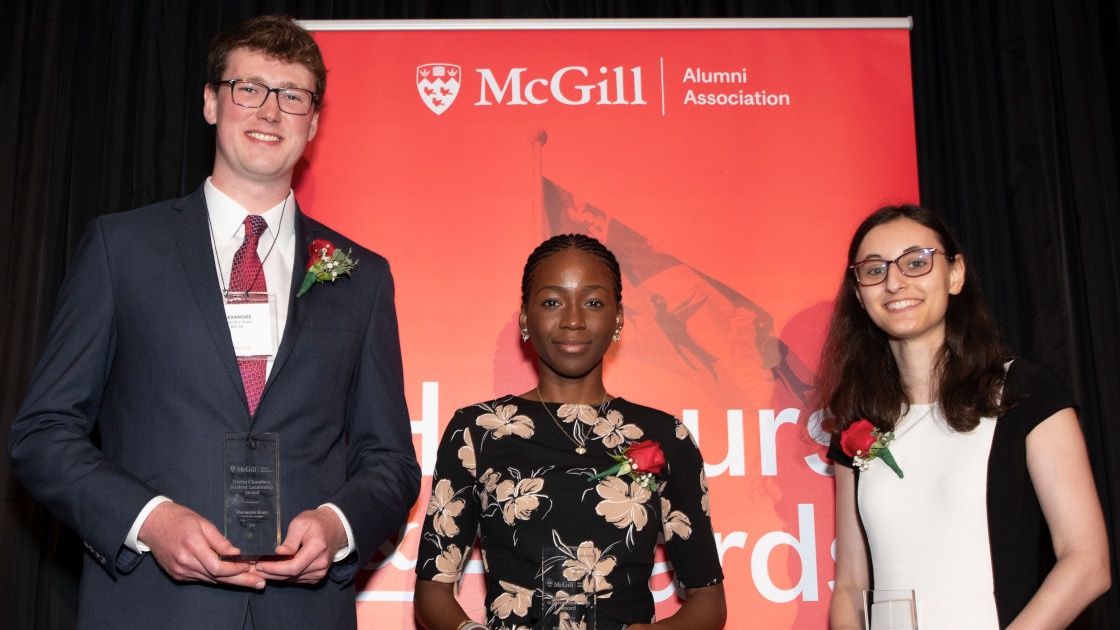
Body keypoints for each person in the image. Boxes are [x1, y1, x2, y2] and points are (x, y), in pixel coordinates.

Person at [7, 15, 420, 629]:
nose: (270, 111)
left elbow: (390, 461)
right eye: (248, 88)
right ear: (210, 102)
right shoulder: (121, 250)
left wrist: (338, 525)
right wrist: (148, 520)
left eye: (292, 96)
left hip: (303, 615)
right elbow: (42, 432)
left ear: (312, 121)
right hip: (150, 608)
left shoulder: (363, 276)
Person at [412, 234, 726, 630]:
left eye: (593, 302)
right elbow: (432, 591)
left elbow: (709, 600)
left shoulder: (666, 434)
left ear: (619, 318)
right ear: (526, 318)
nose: (573, 319)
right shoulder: (478, 431)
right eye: (552, 302)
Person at [821, 205, 1110, 628]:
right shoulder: (857, 418)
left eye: (916, 263)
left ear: (955, 274)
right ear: (859, 293)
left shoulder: (1025, 390)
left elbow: (1087, 562)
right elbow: (849, 584)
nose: (895, 281)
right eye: (874, 270)